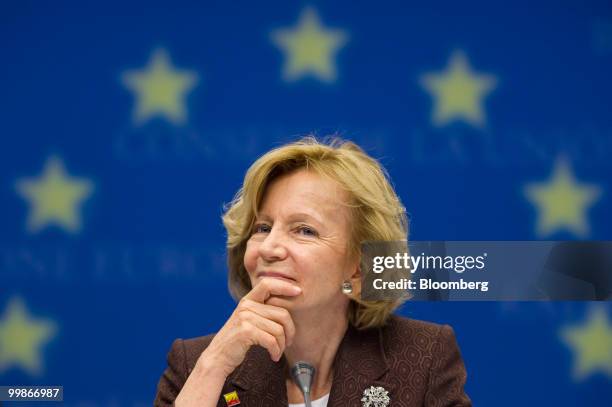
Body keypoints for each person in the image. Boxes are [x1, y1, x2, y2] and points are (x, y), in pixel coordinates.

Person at [154, 137, 471, 407]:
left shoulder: (422, 356)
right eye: (262, 227)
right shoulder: (196, 364)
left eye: (304, 230)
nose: (269, 248)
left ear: (359, 268)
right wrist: (214, 367)